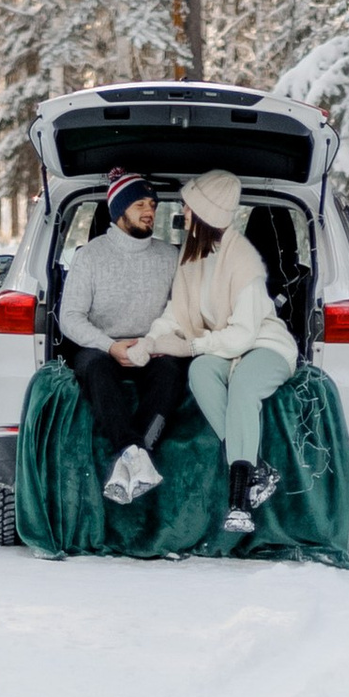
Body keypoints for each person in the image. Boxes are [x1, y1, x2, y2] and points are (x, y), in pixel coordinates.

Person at [140, 166, 297, 535]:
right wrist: (152, 341)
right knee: (199, 372)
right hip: (223, 348)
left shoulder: (245, 263)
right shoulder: (192, 259)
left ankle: (239, 502)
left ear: (207, 214)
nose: (184, 213)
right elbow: (175, 313)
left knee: (242, 385)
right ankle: (255, 470)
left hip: (264, 346)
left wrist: (190, 345)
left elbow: (243, 335)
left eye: (189, 207)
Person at [57, 169, 192, 504]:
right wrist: (110, 346)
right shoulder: (89, 256)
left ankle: (130, 459)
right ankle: (133, 453)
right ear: (119, 211)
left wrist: (157, 342)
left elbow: (182, 310)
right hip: (102, 345)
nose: (150, 211)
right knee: (96, 368)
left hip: (152, 345)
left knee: (171, 371)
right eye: (140, 204)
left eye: (152, 204)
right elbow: (70, 317)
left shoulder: (169, 257)